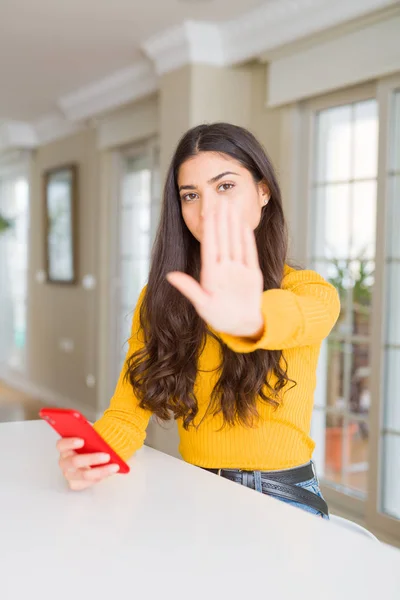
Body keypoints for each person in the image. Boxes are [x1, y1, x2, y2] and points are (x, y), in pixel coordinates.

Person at [57, 123, 340, 518]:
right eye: (190, 195)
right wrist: (94, 457)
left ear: (263, 191)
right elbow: (127, 411)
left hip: (281, 496)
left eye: (225, 186)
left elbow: (296, 319)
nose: (206, 210)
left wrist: (249, 319)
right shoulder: (161, 299)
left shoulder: (309, 291)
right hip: (193, 487)